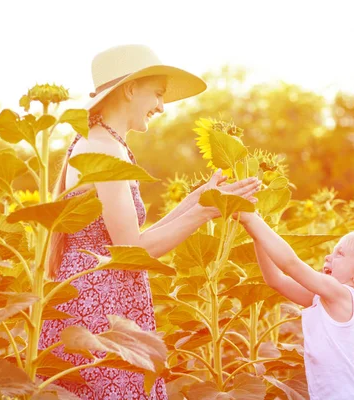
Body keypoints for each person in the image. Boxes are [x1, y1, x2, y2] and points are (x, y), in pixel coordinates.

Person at [39, 44, 260, 399]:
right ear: (129, 89)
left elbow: (129, 239)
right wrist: (207, 212)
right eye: (157, 94)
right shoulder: (102, 149)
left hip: (103, 297)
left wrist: (197, 201)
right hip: (98, 306)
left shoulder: (105, 143)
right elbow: (132, 250)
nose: (161, 106)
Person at [237, 212, 354, 399]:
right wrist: (257, 235)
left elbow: (290, 264)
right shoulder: (323, 300)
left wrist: (253, 220)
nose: (328, 257)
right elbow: (276, 280)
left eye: (339, 254)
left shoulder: (343, 295)